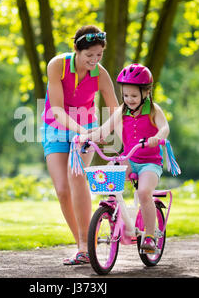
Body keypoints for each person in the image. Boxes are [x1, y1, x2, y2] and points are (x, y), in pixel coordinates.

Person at [41, 25, 119, 265]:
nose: (94, 61)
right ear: (76, 50)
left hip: (87, 127)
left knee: (76, 177)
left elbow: (117, 109)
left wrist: (103, 130)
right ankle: (83, 245)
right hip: (56, 127)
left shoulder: (101, 74)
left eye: (99, 55)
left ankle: (85, 247)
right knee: (63, 190)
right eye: (89, 56)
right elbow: (57, 109)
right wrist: (85, 132)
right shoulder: (57, 65)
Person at [79, 63, 170, 253]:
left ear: (146, 93)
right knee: (111, 172)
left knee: (145, 192)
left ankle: (151, 236)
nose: (129, 99)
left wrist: (157, 138)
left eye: (134, 96)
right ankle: (114, 212)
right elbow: (105, 129)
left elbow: (165, 128)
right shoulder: (122, 110)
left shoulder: (154, 110)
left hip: (150, 163)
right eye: (126, 95)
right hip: (130, 159)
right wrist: (88, 139)